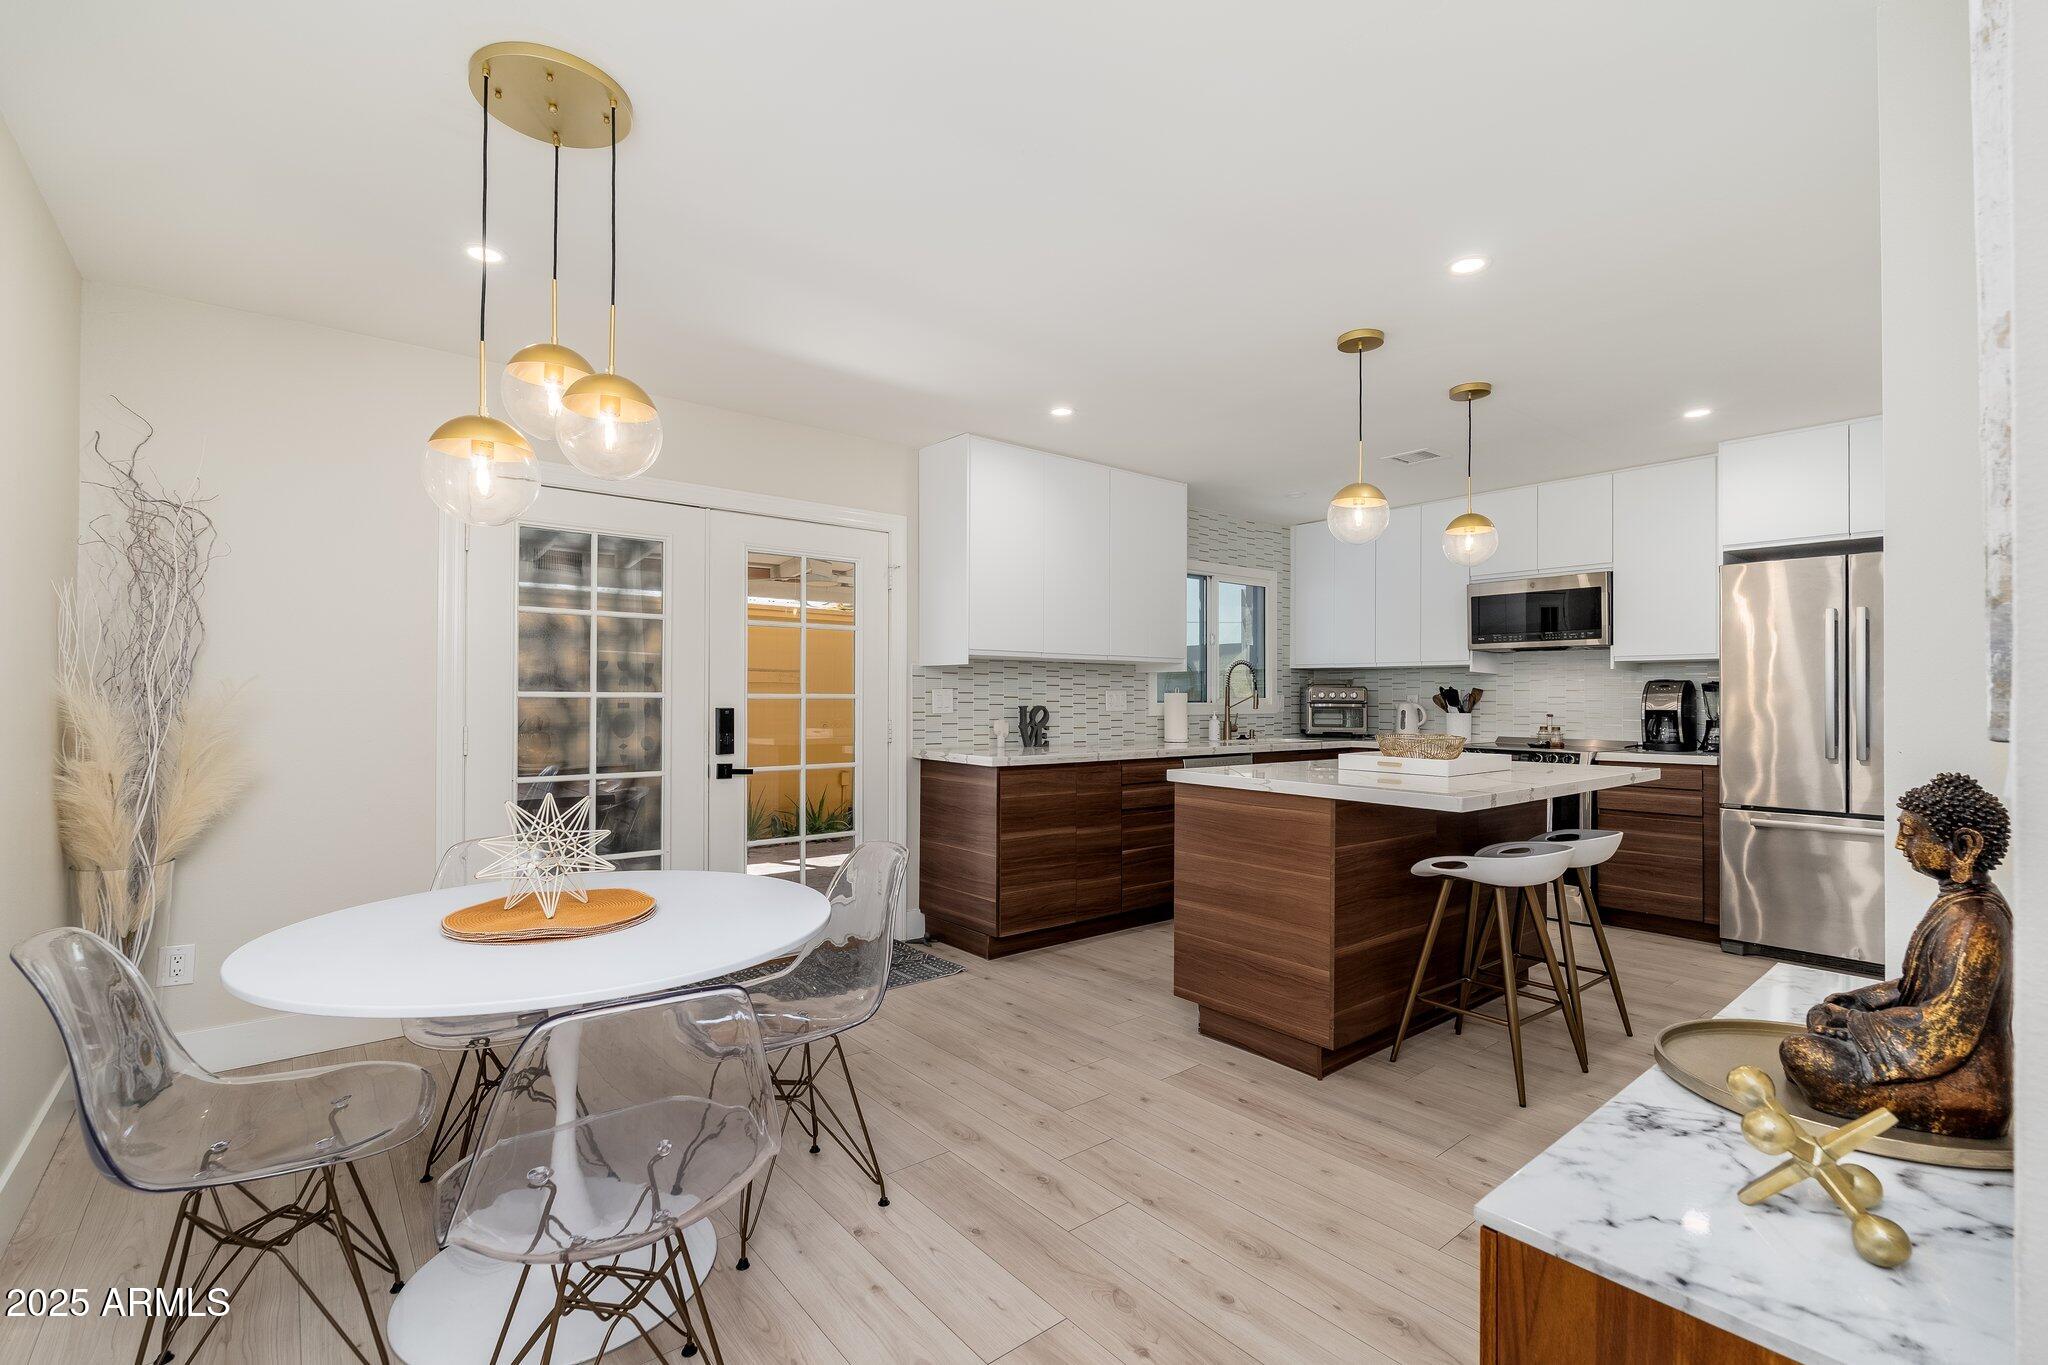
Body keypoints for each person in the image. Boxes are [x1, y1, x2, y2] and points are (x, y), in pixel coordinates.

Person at [1779, 772, 2012, 1139]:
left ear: (1965, 847)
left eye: (1911, 832)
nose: (1901, 843)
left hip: (1968, 1085)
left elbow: (1945, 1026)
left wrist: (1852, 1023)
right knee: (1817, 1023)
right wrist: (1858, 1002)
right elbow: (1917, 986)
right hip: (1929, 1054)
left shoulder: (1976, 921)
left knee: (1804, 1054)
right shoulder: (1958, 904)